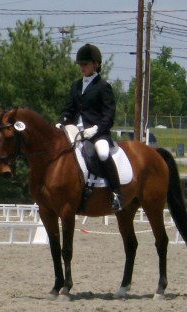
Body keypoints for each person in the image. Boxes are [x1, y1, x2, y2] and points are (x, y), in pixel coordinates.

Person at [56, 43, 122, 211]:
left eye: (85, 64)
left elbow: (109, 115)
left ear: (96, 64)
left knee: (102, 152)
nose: (82, 67)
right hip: (75, 131)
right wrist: (62, 121)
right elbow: (69, 109)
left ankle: (116, 193)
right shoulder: (76, 85)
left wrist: (96, 129)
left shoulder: (103, 87)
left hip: (97, 133)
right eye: (80, 65)